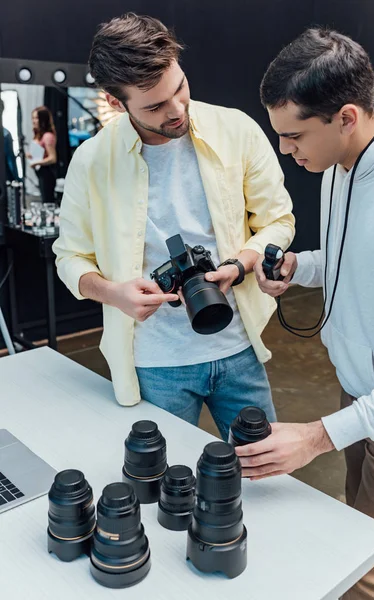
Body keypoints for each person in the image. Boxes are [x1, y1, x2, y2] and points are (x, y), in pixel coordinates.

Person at [52, 12, 295, 440]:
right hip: (155, 362)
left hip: (238, 346)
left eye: (179, 87)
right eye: (155, 105)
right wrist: (114, 293)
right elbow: (69, 257)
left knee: (268, 477)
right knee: (166, 485)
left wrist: (241, 264)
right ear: (114, 102)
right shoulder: (92, 162)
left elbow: (277, 218)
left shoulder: (235, 129)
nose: (177, 109)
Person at [237, 28, 374, 600]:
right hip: (358, 389)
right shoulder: (336, 165)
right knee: (360, 539)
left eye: (293, 135)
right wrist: (302, 267)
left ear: (346, 117)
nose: (285, 150)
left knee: (371, 575)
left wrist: (316, 437)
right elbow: (358, 254)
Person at [28, 106, 57, 203]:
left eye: (36, 118)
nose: (34, 121)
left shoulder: (47, 136)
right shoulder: (39, 135)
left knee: (48, 201)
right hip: (41, 173)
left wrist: (36, 162)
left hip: (47, 174)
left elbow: (53, 158)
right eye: (33, 118)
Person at [0, 99, 19, 181]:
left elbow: (10, 160)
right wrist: (17, 178)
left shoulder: (5, 134)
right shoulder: (5, 134)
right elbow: (10, 160)